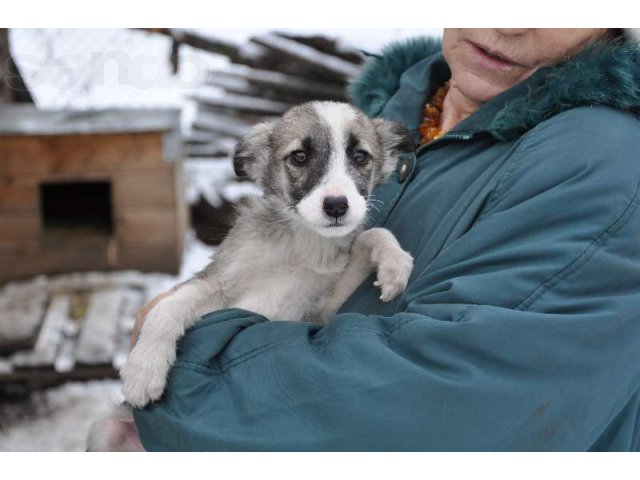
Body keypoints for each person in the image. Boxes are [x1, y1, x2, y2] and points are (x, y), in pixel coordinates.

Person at [132, 29, 640, 451]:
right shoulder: (405, 109)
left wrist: (189, 359)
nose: (506, 20)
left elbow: (435, 410)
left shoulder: (604, 161)